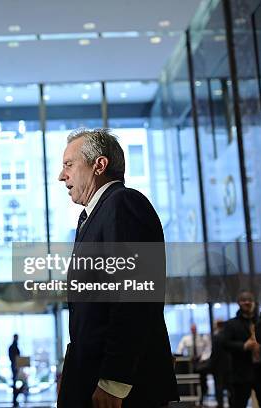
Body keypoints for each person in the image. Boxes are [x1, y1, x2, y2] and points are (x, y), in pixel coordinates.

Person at [56, 129, 178, 408]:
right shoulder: (92, 216)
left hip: (119, 389)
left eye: (68, 165)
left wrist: (114, 381)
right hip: (91, 376)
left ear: (99, 165)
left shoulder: (123, 204)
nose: (62, 176)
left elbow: (134, 296)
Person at [222, 290, 261, 408]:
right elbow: (225, 343)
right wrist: (244, 346)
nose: (247, 302)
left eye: (250, 300)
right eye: (244, 300)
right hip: (241, 373)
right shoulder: (231, 324)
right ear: (238, 303)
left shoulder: (260, 321)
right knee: (239, 404)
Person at [176, 323, 211, 404]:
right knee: (193, 381)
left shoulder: (203, 338)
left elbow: (208, 349)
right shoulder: (186, 338)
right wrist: (182, 356)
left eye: (194, 329)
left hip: (201, 362)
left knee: (202, 381)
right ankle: (194, 398)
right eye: (192, 329)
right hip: (190, 363)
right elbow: (179, 349)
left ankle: (202, 398)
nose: (193, 330)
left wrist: (203, 358)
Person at [210, 320, 231, 408]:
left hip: (218, 367)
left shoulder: (216, 337)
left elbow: (214, 354)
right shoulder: (229, 336)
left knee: (219, 388)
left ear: (217, 326)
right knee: (230, 387)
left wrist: (210, 365)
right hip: (229, 366)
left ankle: (220, 405)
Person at [9, 334, 21, 406]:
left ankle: (15, 399)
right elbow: (13, 357)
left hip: (16, 366)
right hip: (15, 366)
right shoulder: (13, 347)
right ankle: (14, 400)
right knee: (15, 383)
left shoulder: (14, 346)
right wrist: (15, 364)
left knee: (16, 383)